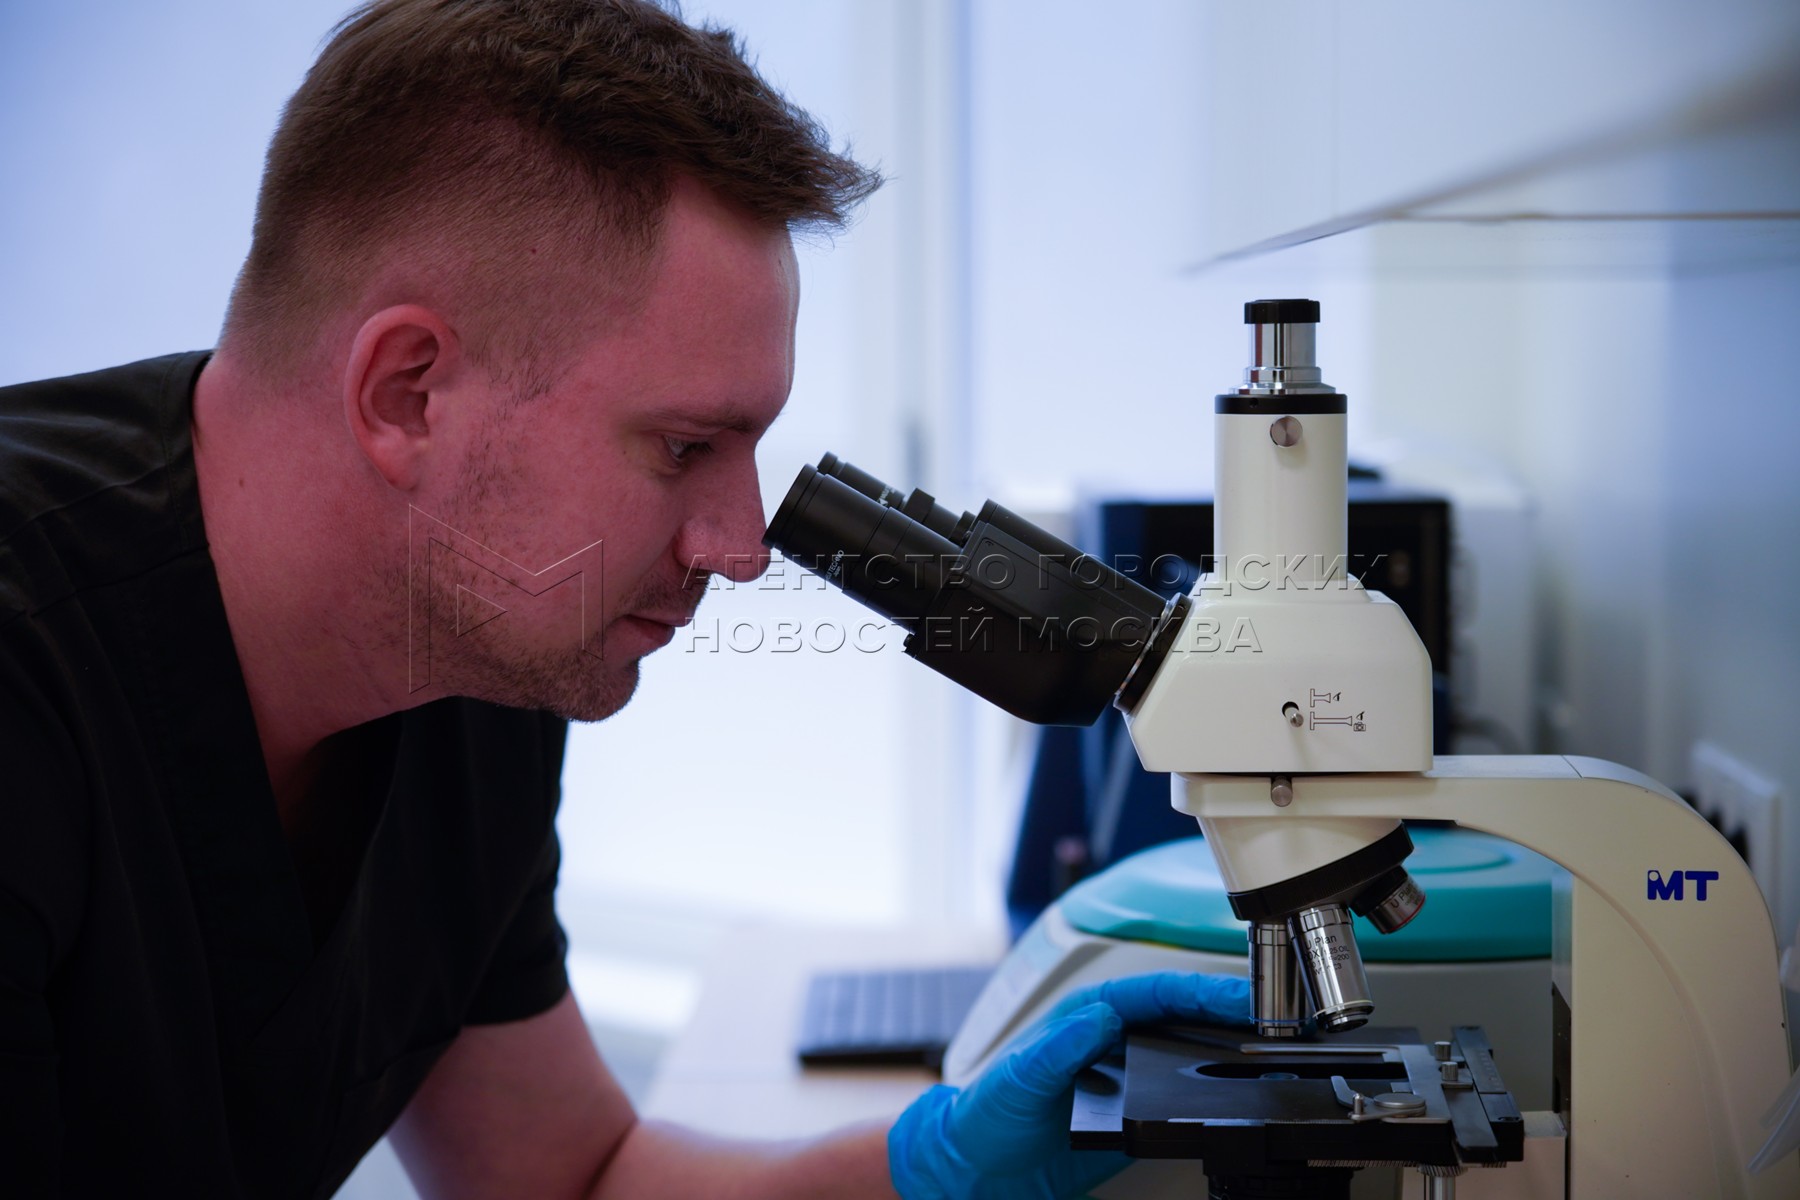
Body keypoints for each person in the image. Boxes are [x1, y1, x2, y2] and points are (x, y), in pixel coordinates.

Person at [0, 1, 1248, 1196]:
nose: (742, 550)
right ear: (407, 393)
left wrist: (933, 1167)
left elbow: (570, 1177)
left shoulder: (471, 653)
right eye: (683, 447)